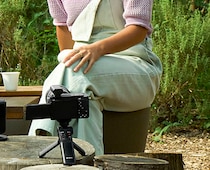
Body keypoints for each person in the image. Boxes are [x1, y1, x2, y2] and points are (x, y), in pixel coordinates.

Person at [28, 0, 163, 155]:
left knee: (71, 76)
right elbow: (62, 27)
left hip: (134, 63)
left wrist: (97, 49)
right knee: (83, 97)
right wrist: (74, 64)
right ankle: (89, 162)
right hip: (81, 70)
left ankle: (39, 145)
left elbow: (138, 29)